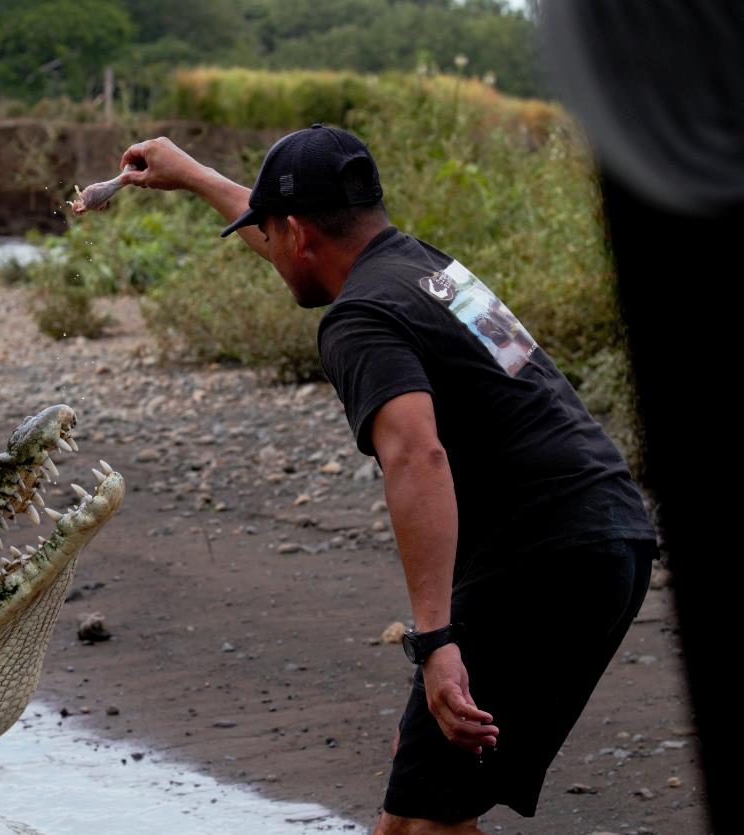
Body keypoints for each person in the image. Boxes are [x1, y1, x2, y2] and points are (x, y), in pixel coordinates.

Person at [117, 126, 657, 834]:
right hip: (609, 534)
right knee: (423, 803)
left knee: (420, 820)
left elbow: (416, 457)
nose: (271, 253)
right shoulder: (429, 271)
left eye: (271, 235)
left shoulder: (359, 319)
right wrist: (193, 177)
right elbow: (298, 247)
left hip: (543, 560)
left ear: (299, 233)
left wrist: (435, 643)